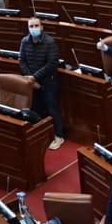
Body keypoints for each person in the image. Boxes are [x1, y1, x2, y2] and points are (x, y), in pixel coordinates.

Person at [20, 16, 65, 150]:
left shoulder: (50, 42)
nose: (34, 28)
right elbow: (22, 60)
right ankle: (41, 135)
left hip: (48, 81)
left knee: (52, 108)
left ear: (41, 27)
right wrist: (30, 79)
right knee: (35, 109)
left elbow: (51, 64)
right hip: (32, 82)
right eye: (31, 26)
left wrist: (34, 77)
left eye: (36, 26)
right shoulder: (25, 41)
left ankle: (58, 136)